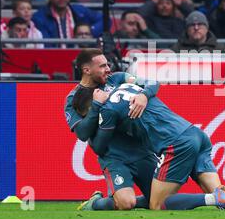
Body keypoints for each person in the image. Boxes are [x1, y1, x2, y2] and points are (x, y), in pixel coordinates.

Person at [74, 81, 225, 212]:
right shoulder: (130, 85)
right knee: (221, 194)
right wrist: (144, 94)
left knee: (157, 204)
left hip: (176, 144)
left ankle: (213, 199)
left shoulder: (106, 110)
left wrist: (95, 109)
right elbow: (154, 83)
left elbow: (98, 145)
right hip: (197, 134)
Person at [64, 49, 160, 210]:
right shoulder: (73, 98)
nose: (108, 69)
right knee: (126, 203)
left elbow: (153, 83)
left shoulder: (118, 78)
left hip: (142, 151)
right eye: (102, 66)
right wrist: (96, 105)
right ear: (87, 70)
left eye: (107, 64)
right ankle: (95, 203)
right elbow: (82, 133)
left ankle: (139, 199)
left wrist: (144, 95)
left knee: (160, 202)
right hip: (113, 157)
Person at [32, 0, 104, 47]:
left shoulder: (79, 10)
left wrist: (88, 31)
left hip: (81, 55)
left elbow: (105, 20)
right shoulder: (39, 18)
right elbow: (47, 46)